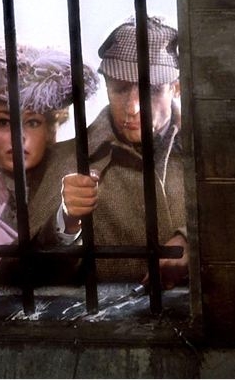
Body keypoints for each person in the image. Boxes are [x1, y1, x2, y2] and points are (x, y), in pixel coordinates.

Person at [28, 16, 188, 289]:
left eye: (151, 89)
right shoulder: (67, 160)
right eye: (120, 88)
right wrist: (65, 222)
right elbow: (16, 278)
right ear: (106, 86)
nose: (133, 107)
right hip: (107, 316)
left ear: (176, 87)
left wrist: (192, 239)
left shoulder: (213, 154)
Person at [0, 38, 99, 284]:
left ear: (50, 130)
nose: (19, 137)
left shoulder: (74, 192)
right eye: (4, 122)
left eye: (32, 122)